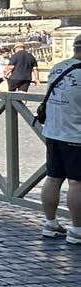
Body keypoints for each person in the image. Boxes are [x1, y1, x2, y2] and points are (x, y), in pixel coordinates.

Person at [41, 33, 81, 245]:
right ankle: (77, 229)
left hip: (53, 131)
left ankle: (50, 224)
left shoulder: (58, 66)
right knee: (77, 182)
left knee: (53, 178)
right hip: (75, 134)